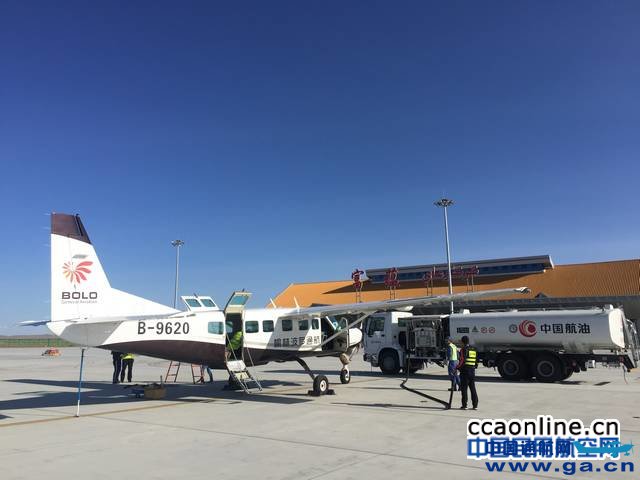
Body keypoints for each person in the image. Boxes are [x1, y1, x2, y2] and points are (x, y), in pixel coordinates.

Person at [457, 335, 478, 410]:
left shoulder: (463, 349)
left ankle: (464, 405)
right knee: (472, 388)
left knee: (464, 388)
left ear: (463, 342)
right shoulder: (474, 349)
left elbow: (462, 360)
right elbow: (476, 360)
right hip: (472, 371)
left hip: (465, 371)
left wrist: (457, 367)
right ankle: (475, 405)